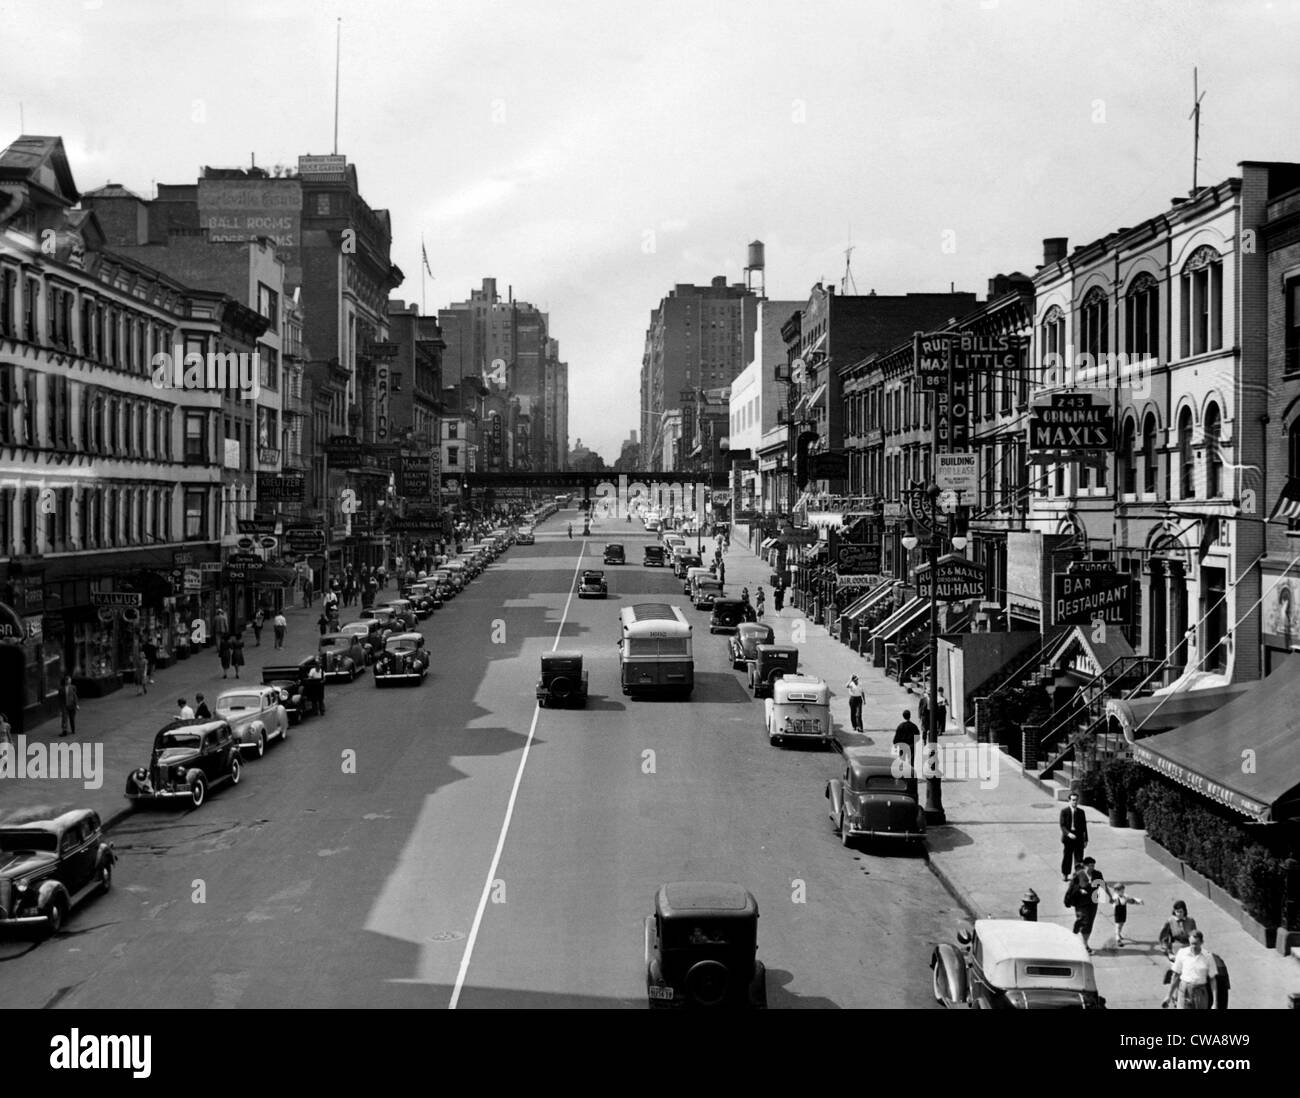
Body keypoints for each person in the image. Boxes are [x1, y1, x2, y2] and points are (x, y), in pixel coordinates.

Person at [1158, 901, 1198, 1006]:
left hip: (1189, 948)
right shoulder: (1170, 921)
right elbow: (1164, 938)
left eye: (1181, 911)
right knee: (1177, 973)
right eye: (1176, 912)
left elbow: (1194, 935)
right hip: (1176, 949)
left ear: (1184, 911)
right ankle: (1174, 998)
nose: (1179, 914)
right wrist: (1168, 952)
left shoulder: (1191, 921)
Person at [1066, 857, 1108, 954]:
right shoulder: (1079, 874)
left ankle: (1085, 944)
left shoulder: (1097, 874)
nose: (1092, 867)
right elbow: (1072, 887)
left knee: (1089, 923)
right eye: (1090, 865)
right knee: (1083, 919)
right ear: (1085, 866)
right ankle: (1077, 928)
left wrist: (1110, 896)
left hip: (1093, 901)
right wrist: (1080, 890)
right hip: (1081, 901)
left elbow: (1102, 885)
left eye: (1093, 865)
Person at [1168, 931, 1218, 1009]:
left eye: (1196, 944)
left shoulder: (1208, 956)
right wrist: (1169, 995)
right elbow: (1175, 975)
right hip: (1184, 991)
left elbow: (1213, 980)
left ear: (1201, 942)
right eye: (1191, 943)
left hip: (1200, 993)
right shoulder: (1182, 953)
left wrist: (1215, 1003)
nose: (1193, 946)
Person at [1059, 791, 1088, 881]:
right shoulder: (1064, 811)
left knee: (1079, 858)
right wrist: (1068, 833)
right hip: (1068, 838)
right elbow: (1062, 825)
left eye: (1076, 800)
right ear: (1069, 801)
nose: (1074, 802)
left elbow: (1084, 827)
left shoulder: (1081, 812)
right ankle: (1065, 874)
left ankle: (1078, 875)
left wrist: (1086, 839)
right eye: (1073, 800)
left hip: (1079, 838)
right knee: (1067, 857)